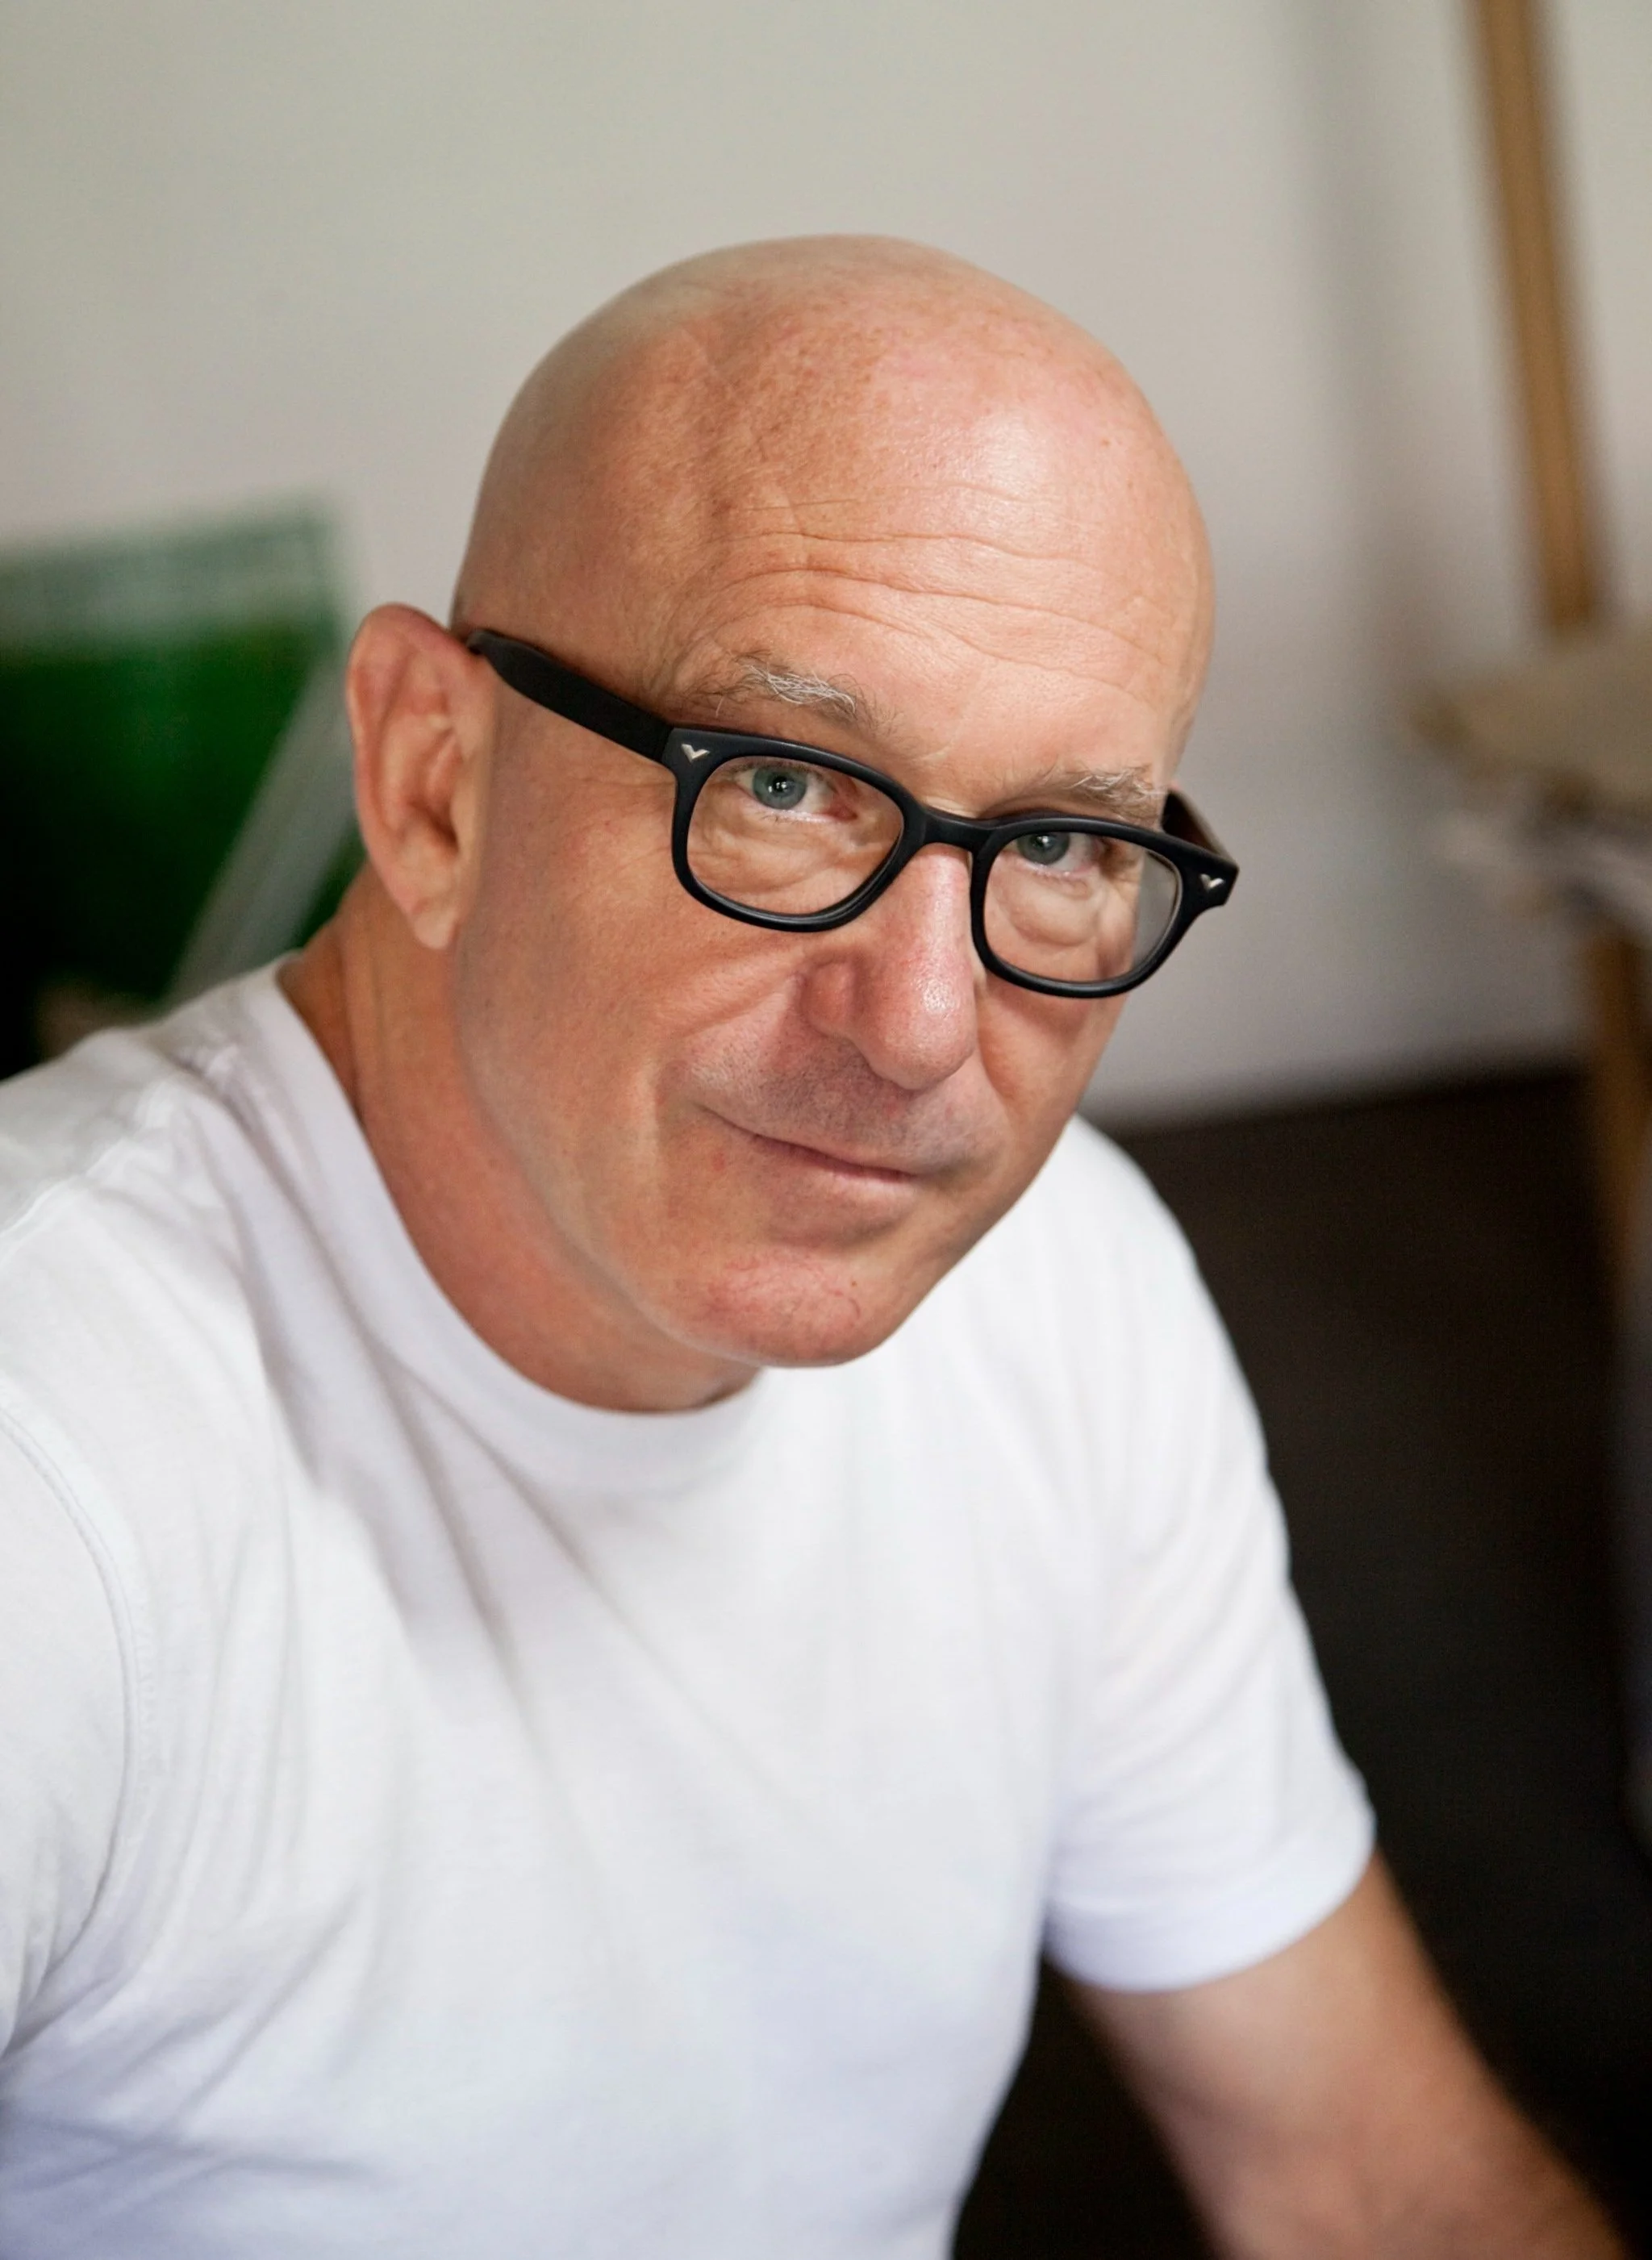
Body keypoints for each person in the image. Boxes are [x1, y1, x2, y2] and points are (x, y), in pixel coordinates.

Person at [0, 236, 1621, 2259]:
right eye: (780, 785)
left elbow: (1349, 2171)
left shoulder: (1064, 1291)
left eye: (1058, 847)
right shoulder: (50, 1449)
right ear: (432, 784)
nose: (922, 1032)